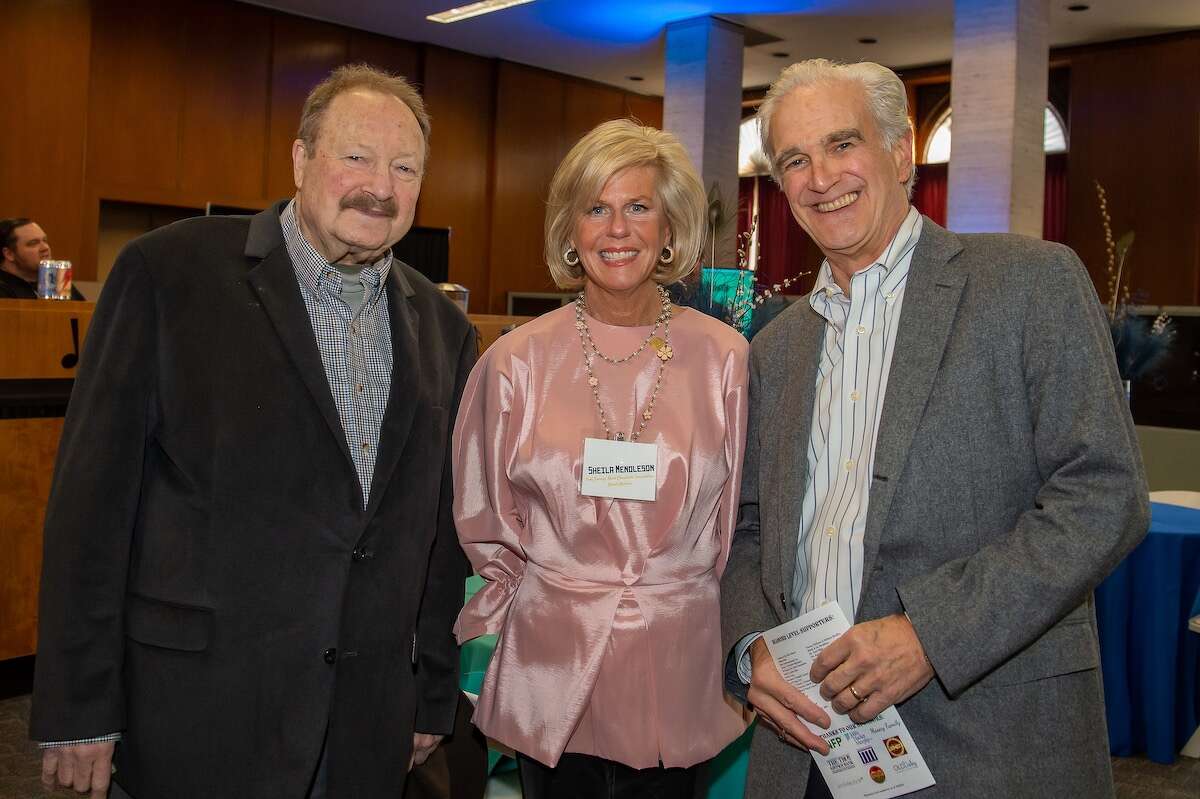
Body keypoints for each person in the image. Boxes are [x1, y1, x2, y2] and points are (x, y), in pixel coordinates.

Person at [30, 64, 475, 799]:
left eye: (405, 167)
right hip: (198, 717)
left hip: (365, 727)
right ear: (300, 159)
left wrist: (428, 691)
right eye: (356, 157)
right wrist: (79, 710)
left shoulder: (443, 330)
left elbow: (437, 534)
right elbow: (91, 511)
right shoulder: (167, 275)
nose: (381, 186)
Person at [721, 59, 1149, 798]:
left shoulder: (1029, 284)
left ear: (898, 151)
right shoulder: (776, 349)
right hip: (809, 752)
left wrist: (932, 632)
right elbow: (748, 528)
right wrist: (751, 643)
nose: (821, 176)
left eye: (842, 143)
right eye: (795, 159)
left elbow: (1105, 494)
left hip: (988, 744)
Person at [453, 119, 747, 798]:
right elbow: (483, 518)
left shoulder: (727, 360)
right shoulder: (514, 363)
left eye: (638, 207)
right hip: (553, 662)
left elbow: (742, 523)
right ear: (571, 232)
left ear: (669, 227)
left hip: (681, 665)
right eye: (596, 208)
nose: (618, 229)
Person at [0, 217, 85, 299]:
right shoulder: (3, 290)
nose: (45, 248)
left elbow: (84, 312)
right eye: (33, 243)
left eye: (45, 240)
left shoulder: (55, 279)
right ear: (9, 254)